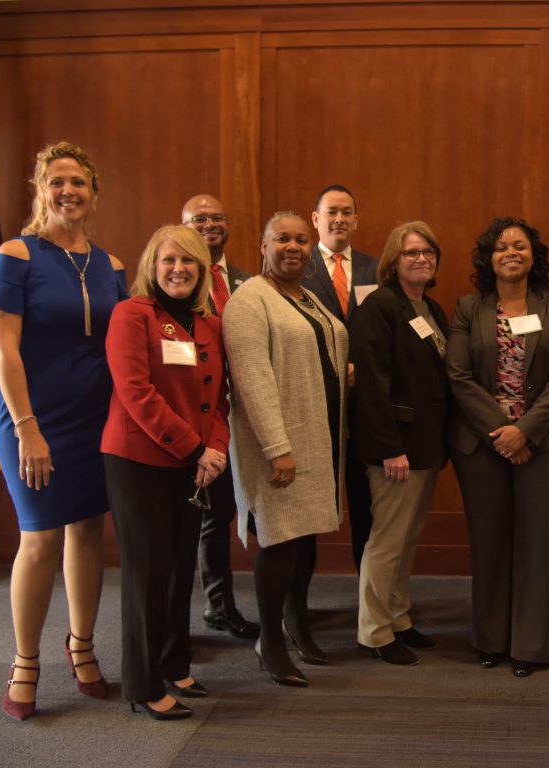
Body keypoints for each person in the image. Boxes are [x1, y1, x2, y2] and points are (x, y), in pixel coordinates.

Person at [0, 142, 126, 721]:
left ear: (94, 194)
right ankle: (24, 663)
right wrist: (27, 428)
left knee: (89, 532)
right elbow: (1, 347)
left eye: (79, 183)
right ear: (41, 190)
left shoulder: (110, 264)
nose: (69, 191)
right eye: (57, 181)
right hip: (33, 419)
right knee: (39, 539)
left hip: (96, 421)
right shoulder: (17, 254)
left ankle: (82, 648)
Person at [102, 225, 229, 720]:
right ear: (151, 267)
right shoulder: (131, 315)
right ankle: (141, 682)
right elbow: (136, 394)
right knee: (147, 573)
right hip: (139, 460)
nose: (178, 269)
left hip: (194, 463)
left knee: (181, 567)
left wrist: (215, 449)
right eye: (169, 261)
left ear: (201, 270)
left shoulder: (210, 324)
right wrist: (197, 448)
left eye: (189, 262)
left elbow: (216, 398)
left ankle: (175, 663)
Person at [447, 217, 549, 678]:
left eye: (520, 246)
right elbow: (458, 376)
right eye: (501, 246)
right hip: (483, 444)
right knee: (490, 544)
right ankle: (490, 638)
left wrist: (526, 430)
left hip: (543, 443)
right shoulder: (468, 308)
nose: (511, 253)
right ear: (489, 257)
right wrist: (502, 431)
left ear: (533, 255)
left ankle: (532, 645)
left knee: (538, 545)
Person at [223, 211, 347, 687]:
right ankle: (270, 641)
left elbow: (321, 347)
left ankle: (298, 623)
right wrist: (277, 448)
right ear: (263, 245)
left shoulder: (307, 296)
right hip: (281, 443)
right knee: (279, 543)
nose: (292, 246)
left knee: (307, 537)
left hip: (319, 435)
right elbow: (252, 382)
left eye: (300, 239)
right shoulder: (250, 300)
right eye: (282, 239)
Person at [351, 221, 449, 666]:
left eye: (429, 251)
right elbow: (372, 383)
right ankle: (373, 632)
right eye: (411, 253)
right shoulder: (380, 306)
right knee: (386, 541)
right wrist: (390, 447)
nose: (422, 259)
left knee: (407, 539)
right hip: (395, 449)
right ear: (393, 260)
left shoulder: (432, 309)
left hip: (426, 447)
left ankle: (399, 617)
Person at [180, 193, 258, 641]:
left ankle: (219, 605)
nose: (209, 224)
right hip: (195, 418)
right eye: (199, 218)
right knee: (202, 517)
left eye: (216, 216)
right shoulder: (176, 278)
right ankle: (215, 607)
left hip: (241, 416)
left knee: (224, 512)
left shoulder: (247, 281)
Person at [301, 184, 378, 572]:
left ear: (356, 220)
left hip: (364, 409)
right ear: (316, 219)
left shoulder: (376, 268)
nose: (339, 219)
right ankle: (299, 603)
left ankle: (369, 598)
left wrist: (361, 369)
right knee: (310, 506)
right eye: (331, 211)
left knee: (366, 505)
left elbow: (383, 331)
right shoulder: (297, 267)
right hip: (316, 406)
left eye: (347, 212)